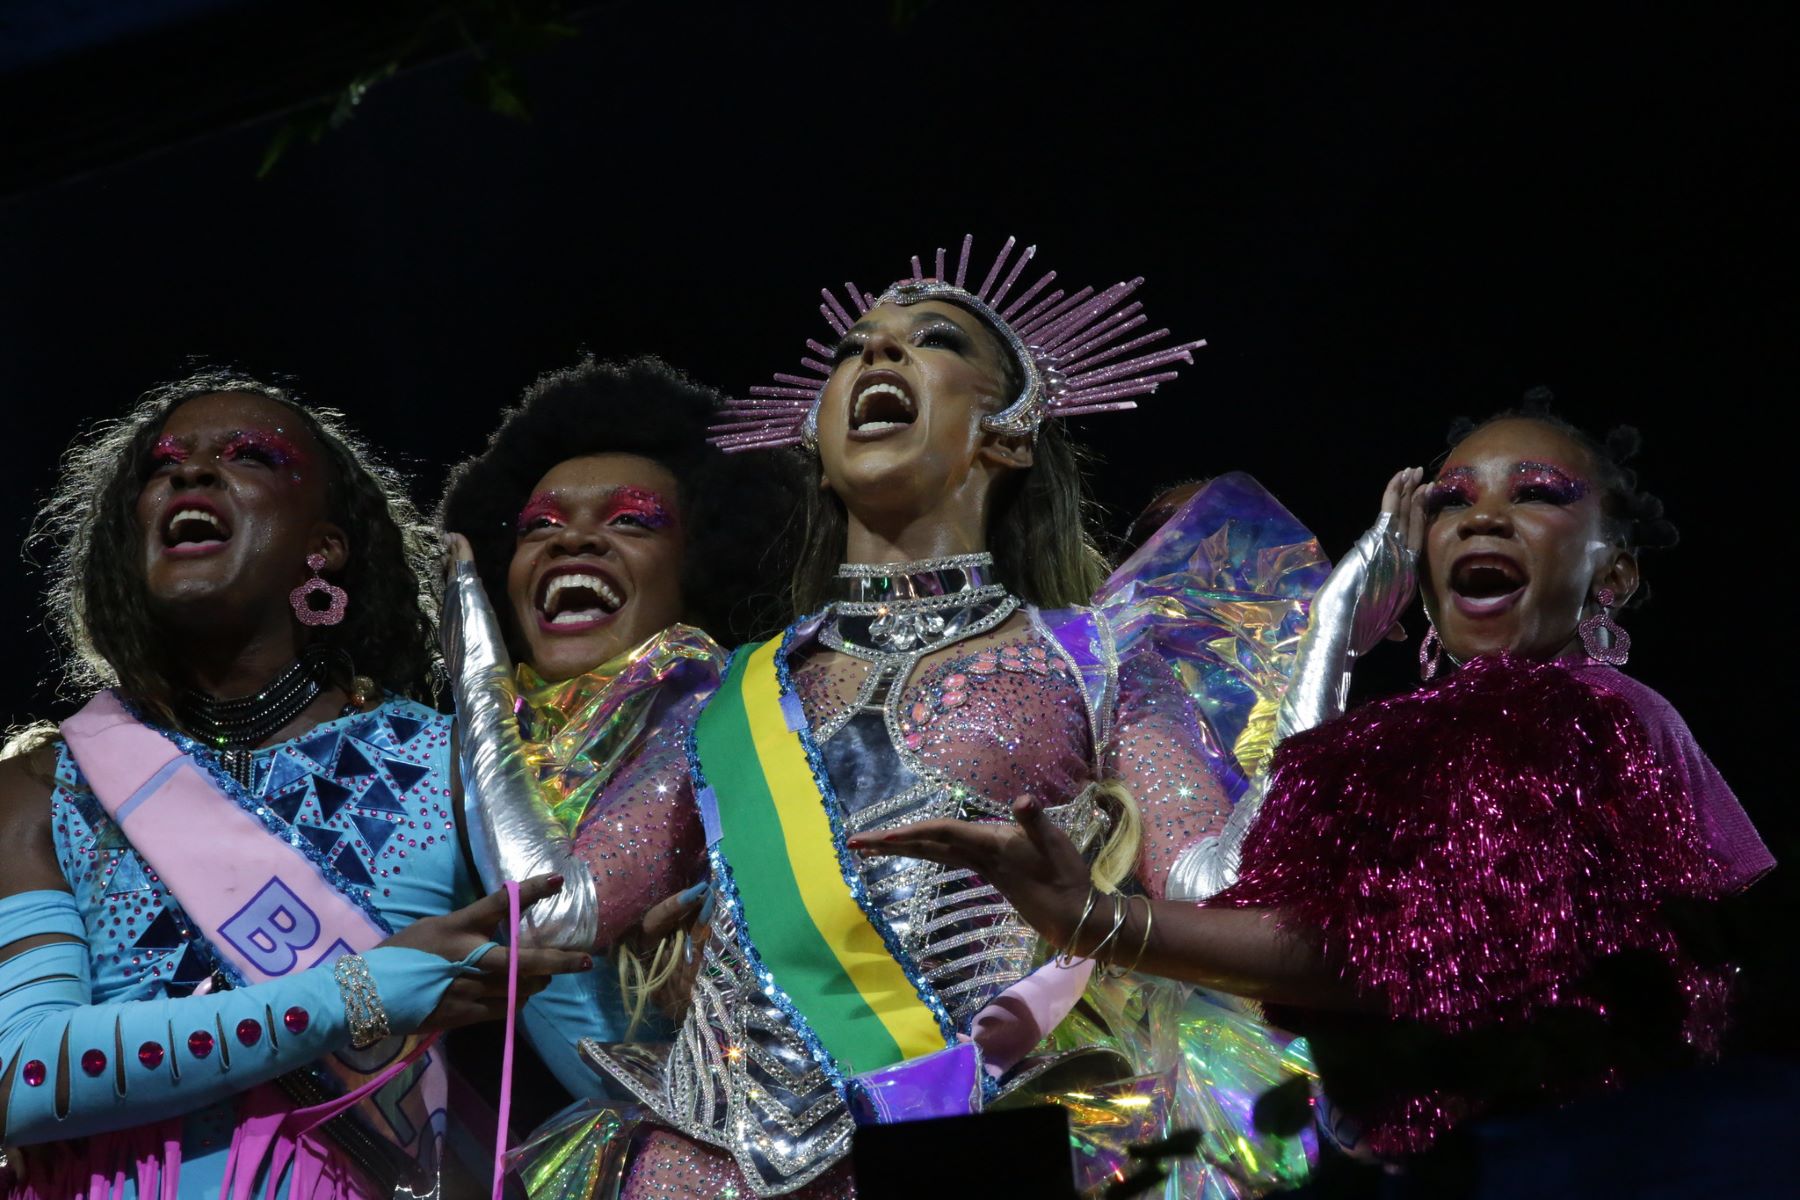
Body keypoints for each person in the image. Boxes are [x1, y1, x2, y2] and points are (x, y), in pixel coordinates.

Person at [461, 236, 1326, 1198]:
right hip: (710, 1166)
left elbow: (1224, 891)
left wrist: (1317, 665)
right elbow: (556, 909)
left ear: (1009, 432)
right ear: (818, 451)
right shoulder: (722, 700)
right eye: (853, 348)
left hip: (985, 1129)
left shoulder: (1100, 661)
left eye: (932, 340)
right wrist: (474, 671)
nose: (876, 356)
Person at [858, 401, 1774, 1164]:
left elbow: (1398, 954)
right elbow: (1260, 883)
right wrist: (1333, 633)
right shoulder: (1423, 736)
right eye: (1450, 502)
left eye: (1537, 495)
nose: (1482, 517)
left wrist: (1096, 922)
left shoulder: (1575, 712)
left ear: (1613, 570)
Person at [0, 370, 587, 1200]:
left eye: (250, 456)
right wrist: (355, 993)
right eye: (163, 465)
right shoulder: (45, 783)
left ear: (324, 546)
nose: (189, 475)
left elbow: (592, 1038)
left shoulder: (456, 764)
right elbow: (21, 1077)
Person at [436, 356, 798, 1105]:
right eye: (540, 527)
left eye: (631, 521)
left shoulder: (719, 714)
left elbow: (548, 917)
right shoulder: (451, 753)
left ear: (697, 562)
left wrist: (472, 655)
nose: (575, 542)